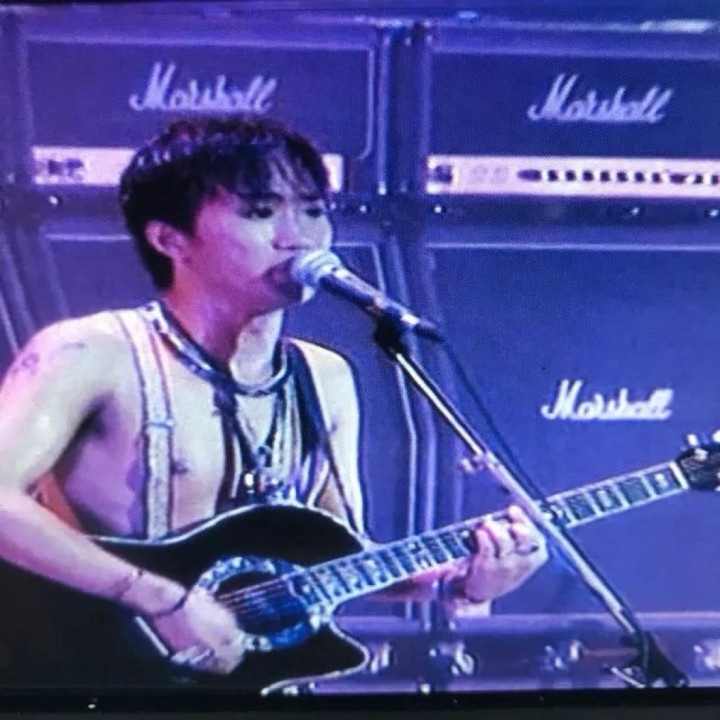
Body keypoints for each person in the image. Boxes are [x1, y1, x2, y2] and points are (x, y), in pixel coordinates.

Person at [0, 115, 547, 684]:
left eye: (312, 210)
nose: (298, 236)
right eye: (261, 212)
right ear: (170, 239)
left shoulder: (324, 376)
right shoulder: (89, 353)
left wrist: (460, 582)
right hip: (87, 678)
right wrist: (160, 598)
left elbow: (341, 557)